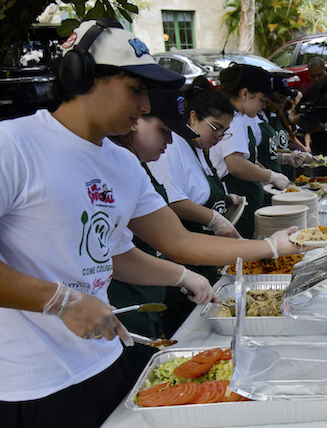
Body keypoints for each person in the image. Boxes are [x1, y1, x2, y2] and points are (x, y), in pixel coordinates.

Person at [0, 19, 300, 428]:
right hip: (42, 383)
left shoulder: (122, 164)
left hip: (110, 358)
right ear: (83, 77)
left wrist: (272, 249)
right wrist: (60, 301)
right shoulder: (8, 146)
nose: (146, 105)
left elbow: (175, 241)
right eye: (137, 88)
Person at [107, 85, 201, 375]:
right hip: (122, 306)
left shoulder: (135, 167)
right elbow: (173, 241)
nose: (170, 141)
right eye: (163, 130)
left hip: (148, 300)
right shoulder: (114, 165)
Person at [146, 76, 239, 334]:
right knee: (192, 332)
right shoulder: (172, 145)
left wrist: (225, 198)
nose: (220, 136)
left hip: (203, 258)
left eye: (225, 131)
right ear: (194, 116)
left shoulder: (197, 147)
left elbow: (196, 189)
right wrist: (214, 219)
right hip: (182, 260)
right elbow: (172, 199)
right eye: (216, 128)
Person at [209, 64, 290, 238]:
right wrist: (271, 176)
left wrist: (267, 175)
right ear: (245, 94)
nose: (263, 105)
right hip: (239, 202)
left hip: (250, 201)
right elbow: (236, 164)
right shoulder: (234, 121)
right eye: (262, 99)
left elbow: (249, 159)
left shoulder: (240, 118)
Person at [256, 75, 313, 191]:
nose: (283, 102)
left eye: (285, 98)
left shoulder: (280, 117)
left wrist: (295, 154)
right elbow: (262, 153)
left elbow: (280, 145)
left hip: (285, 174)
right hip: (269, 180)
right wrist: (286, 157)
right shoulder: (258, 121)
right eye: (280, 97)